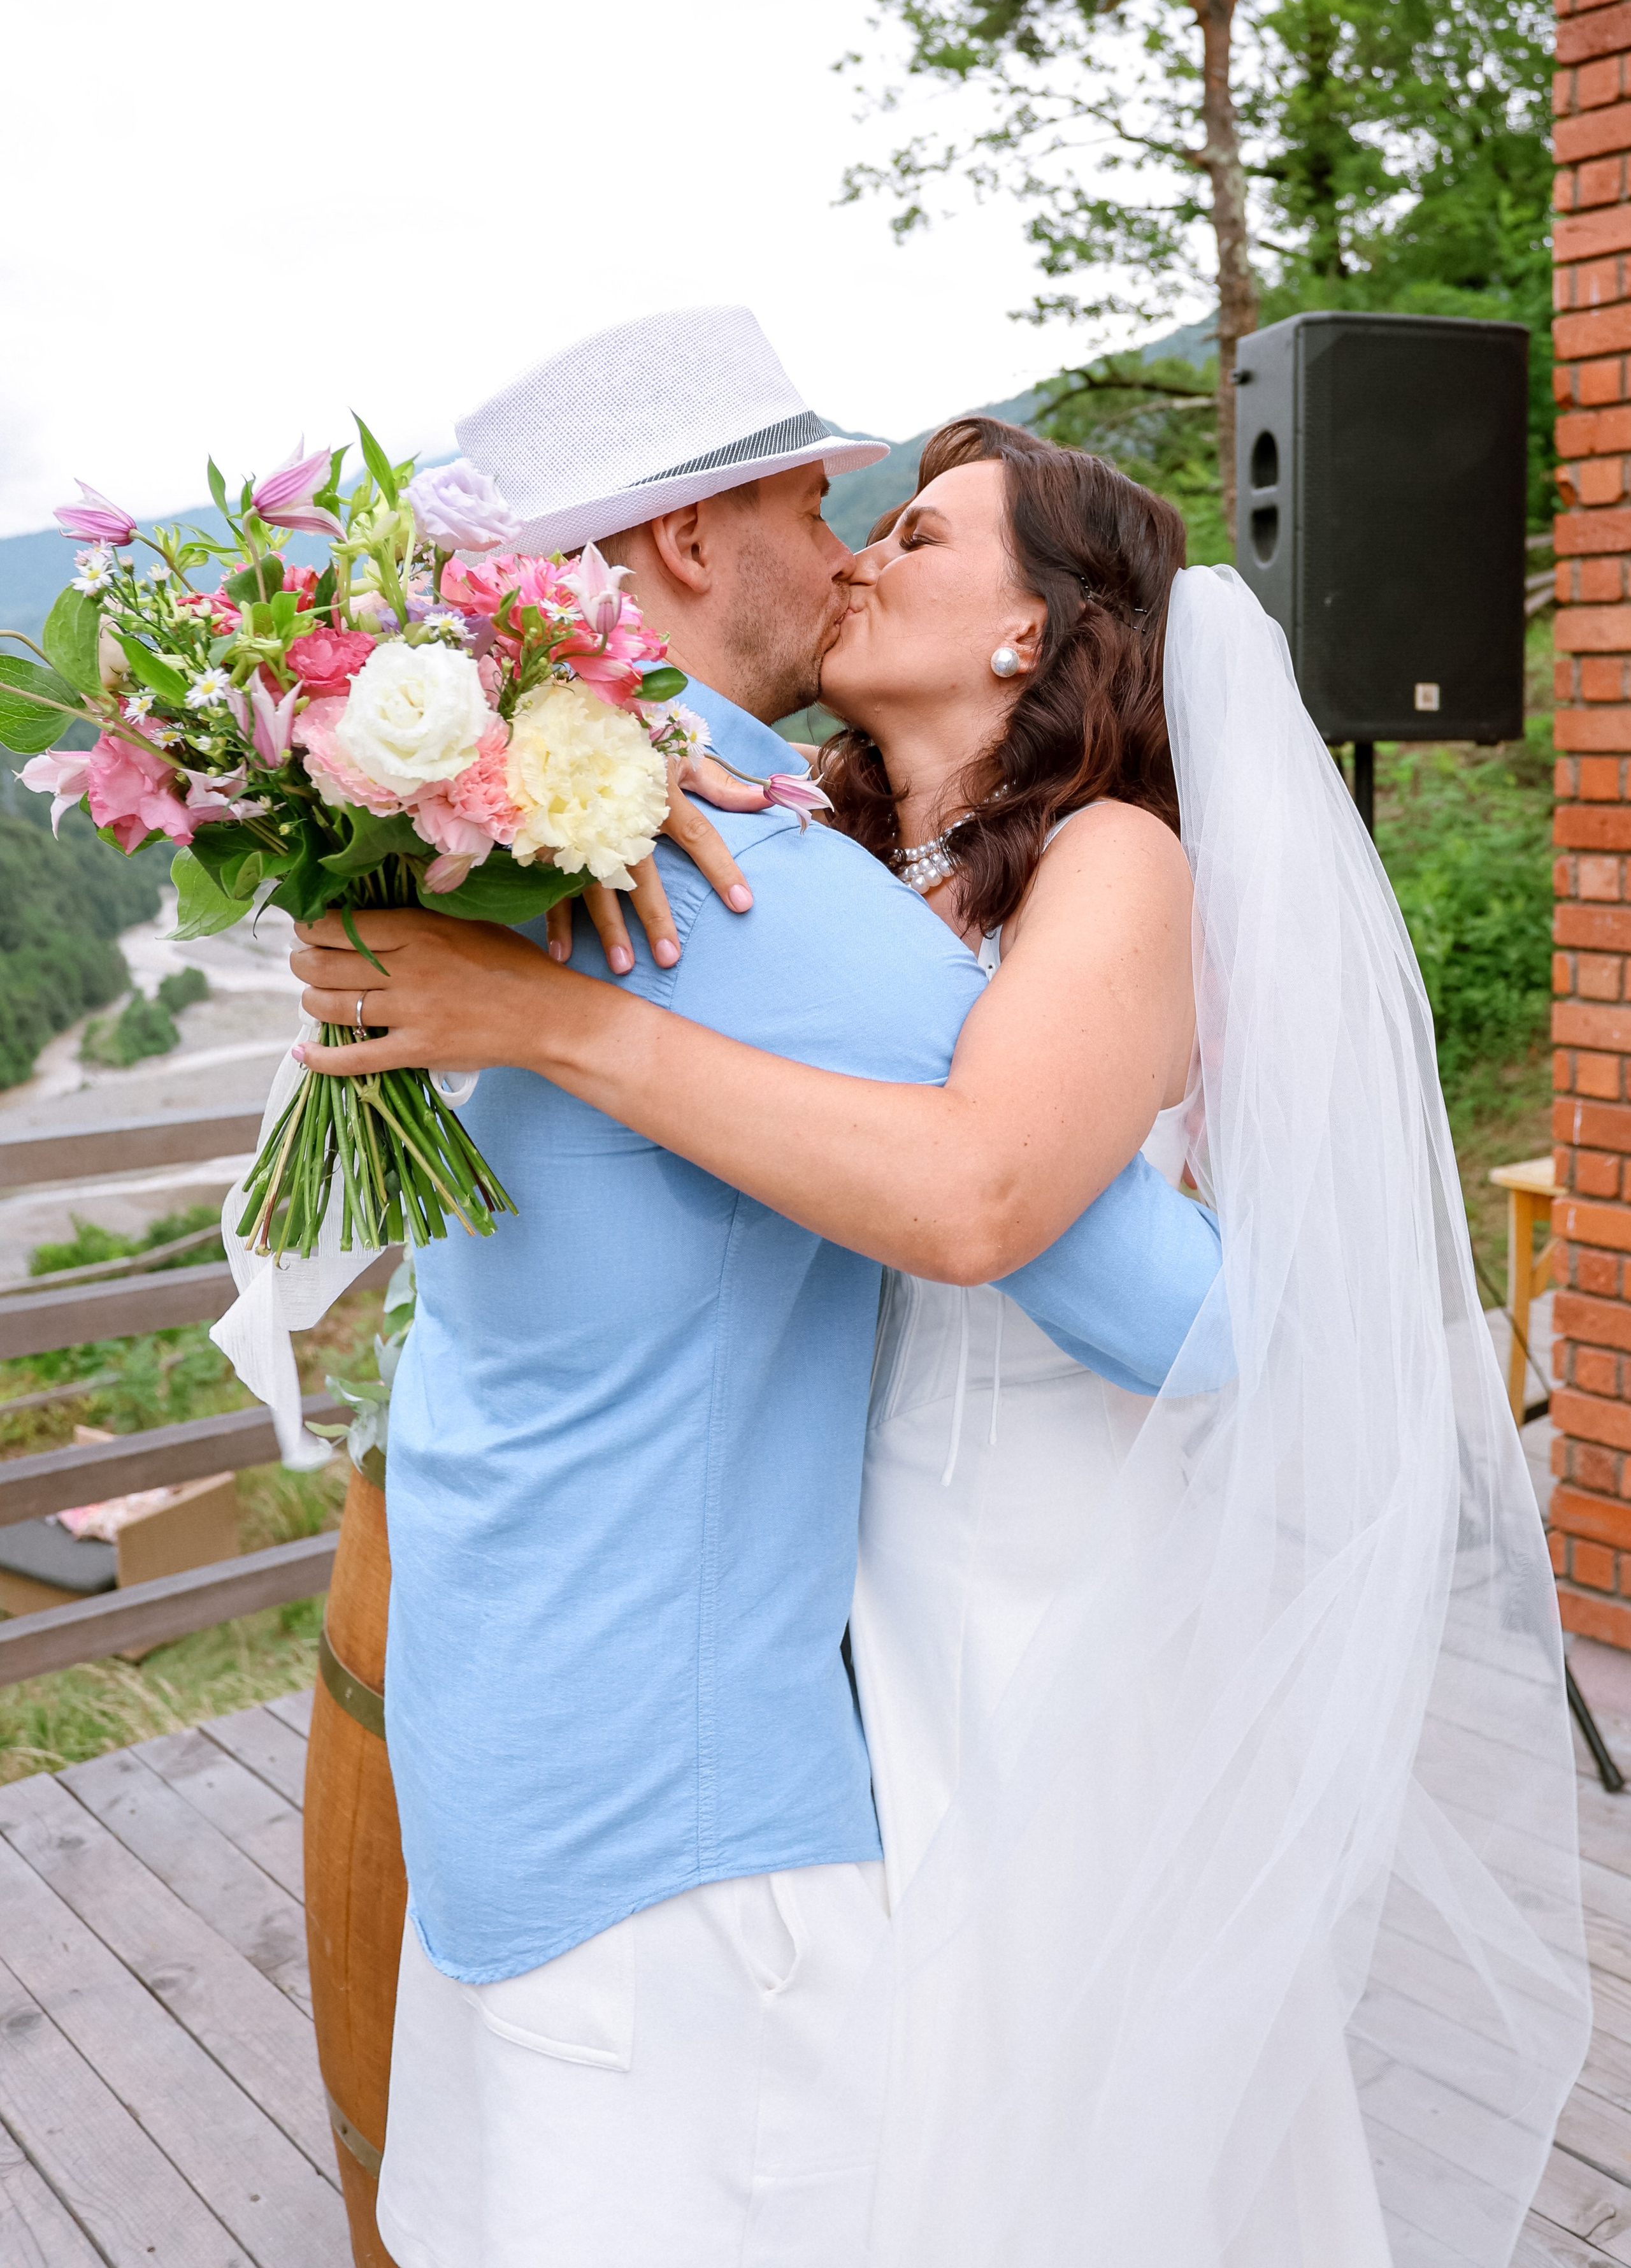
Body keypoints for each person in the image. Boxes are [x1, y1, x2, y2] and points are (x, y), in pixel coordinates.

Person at [299, 406, 1590, 2266]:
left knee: (1056, 2110)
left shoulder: (1112, 862)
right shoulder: (780, 849)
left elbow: (1114, 1270)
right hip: (852, 1584)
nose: (858, 553)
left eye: (918, 532)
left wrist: (561, 1030)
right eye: (852, 519)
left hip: (1035, 1564)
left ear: (1031, 635)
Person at [280, 310, 1226, 2268]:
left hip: (527, 1735)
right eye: (813, 494)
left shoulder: (502, 856)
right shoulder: (724, 870)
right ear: (697, 544)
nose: (849, 539)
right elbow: (1173, 1309)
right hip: (675, 1811)